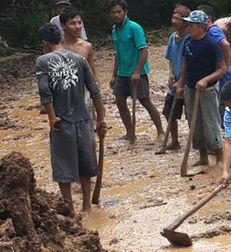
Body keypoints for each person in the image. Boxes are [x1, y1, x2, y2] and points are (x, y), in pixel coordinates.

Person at [36, 23, 106, 213]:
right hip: (83, 120)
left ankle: (69, 209)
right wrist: (101, 118)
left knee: (63, 166)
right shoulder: (79, 59)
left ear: (44, 43)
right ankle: (86, 207)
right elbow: (95, 90)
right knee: (86, 162)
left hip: (62, 122)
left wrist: (52, 117)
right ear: (60, 38)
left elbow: (45, 93)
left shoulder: (43, 61)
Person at [172, 10, 227, 166]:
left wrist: (206, 79)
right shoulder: (188, 41)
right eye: (188, 24)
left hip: (208, 90)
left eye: (192, 25)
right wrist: (181, 83)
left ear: (202, 27)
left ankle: (220, 158)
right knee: (194, 123)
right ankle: (203, 157)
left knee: (212, 123)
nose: (188, 28)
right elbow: (185, 63)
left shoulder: (211, 44)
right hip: (191, 88)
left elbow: (222, 69)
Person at [107, 0, 164, 144]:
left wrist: (137, 71)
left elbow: (144, 50)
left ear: (125, 12)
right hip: (122, 72)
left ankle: (161, 131)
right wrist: (114, 75)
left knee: (145, 101)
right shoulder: (115, 29)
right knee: (119, 101)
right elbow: (118, 53)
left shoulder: (134, 28)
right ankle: (130, 133)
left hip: (138, 71)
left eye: (119, 12)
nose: (116, 15)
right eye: (113, 12)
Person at [59, 7, 99, 139]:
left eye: (79, 23)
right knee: (66, 134)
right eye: (73, 23)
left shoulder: (86, 46)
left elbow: (93, 73)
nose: (77, 27)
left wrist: (99, 106)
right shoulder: (57, 46)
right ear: (63, 26)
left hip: (84, 94)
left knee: (87, 134)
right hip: (63, 96)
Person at [198, 5, 231, 121]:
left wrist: (224, 67)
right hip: (221, 74)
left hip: (223, 76)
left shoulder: (213, 31)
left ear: (209, 18)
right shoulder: (207, 32)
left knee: (226, 105)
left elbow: (226, 45)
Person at [162, 4, 191, 150]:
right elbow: (171, 59)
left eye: (178, 19)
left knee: (191, 115)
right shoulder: (173, 37)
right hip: (175, 82)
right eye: (173, 18)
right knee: (168, 112)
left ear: (185, 23)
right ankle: (175, 141)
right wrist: (171, 74)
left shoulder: (190, 40)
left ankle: (200, 144)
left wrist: (181, 81)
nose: (174, 21)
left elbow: (190, 64)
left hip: (188, 82)